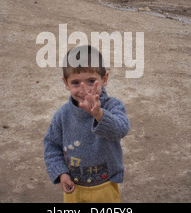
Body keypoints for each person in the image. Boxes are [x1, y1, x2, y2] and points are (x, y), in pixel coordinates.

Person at [44, 45, 130, 203]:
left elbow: (121, 129)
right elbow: (51, 146)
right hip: (74, 189)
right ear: (66, 83)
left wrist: (98, 114)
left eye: (91, 81)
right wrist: (61, 173)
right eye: (76, 83)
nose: (85, 89)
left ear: (104, 79)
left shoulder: (112, 106)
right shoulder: (62, 115)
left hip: (105, 186)